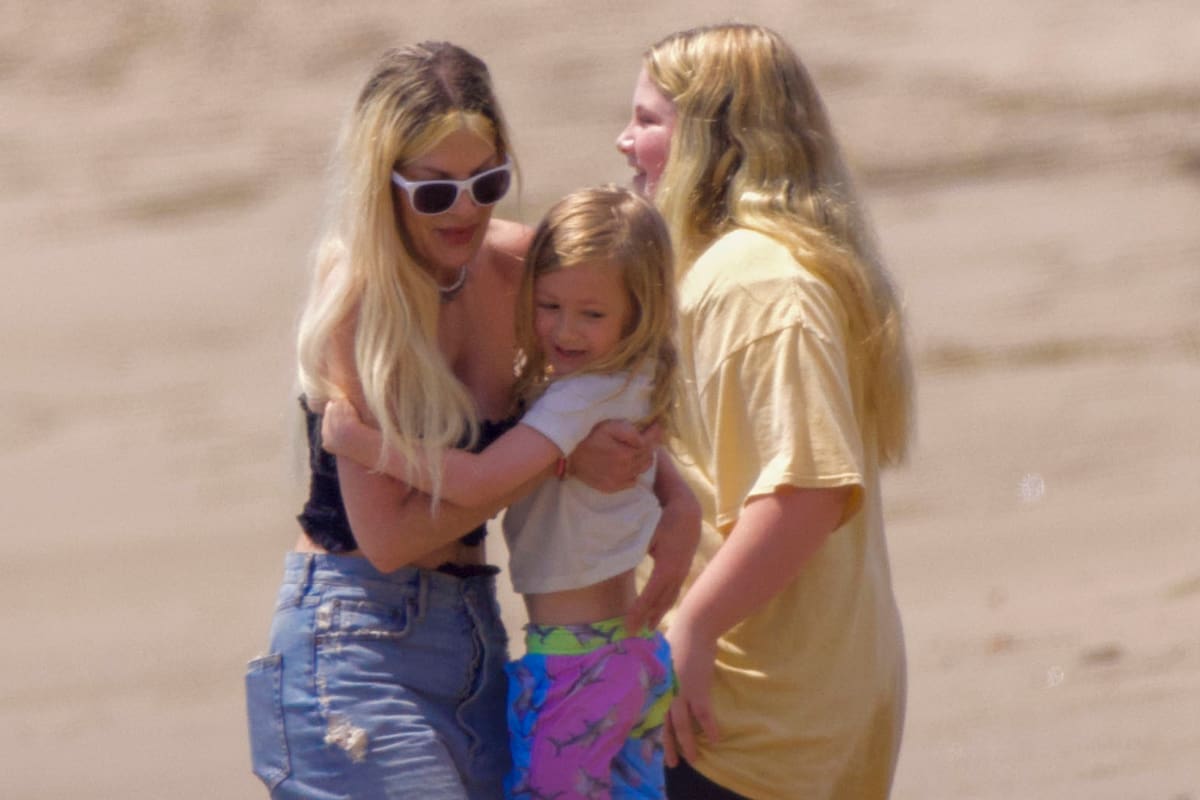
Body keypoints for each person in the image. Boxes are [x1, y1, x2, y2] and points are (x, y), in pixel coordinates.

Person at [244, 43, 696, 800]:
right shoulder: (358, 304)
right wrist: (555, 460)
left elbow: (611, 387)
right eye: (433, 191)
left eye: (486, 181)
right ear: (381, 186)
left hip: (484, 632)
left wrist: (673, 495)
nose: (465, 209)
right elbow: (388, 539)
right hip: (354, 639)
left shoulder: (526, 275)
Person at [614, 23, 916, 800]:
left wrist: (695, 627)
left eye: (649, 121)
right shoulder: (791, 265)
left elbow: (808, 493)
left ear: (713, 140)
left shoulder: (759, 281)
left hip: (747, 715)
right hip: (801, 701)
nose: (623, 141)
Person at [322, 184, 688, 799]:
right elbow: (667, 487)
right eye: (548, 305)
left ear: (639, 311)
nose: (565, 331)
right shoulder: (630, 377)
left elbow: (480, 481)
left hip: (577, 667)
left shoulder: (577, 399)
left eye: (591, 315)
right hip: (630, 659)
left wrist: (361, 443)